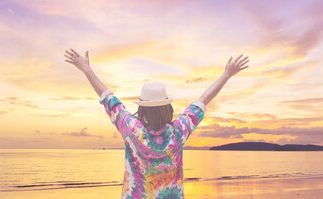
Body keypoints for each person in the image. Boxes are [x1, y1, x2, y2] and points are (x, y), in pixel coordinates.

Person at [64, 48, 249, 199]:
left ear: (142, 109)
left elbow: (107, 96)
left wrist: (86, 69)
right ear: (167, 108)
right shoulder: (179, 130)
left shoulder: (130, 128)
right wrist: (226, 74)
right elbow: (202, 101)